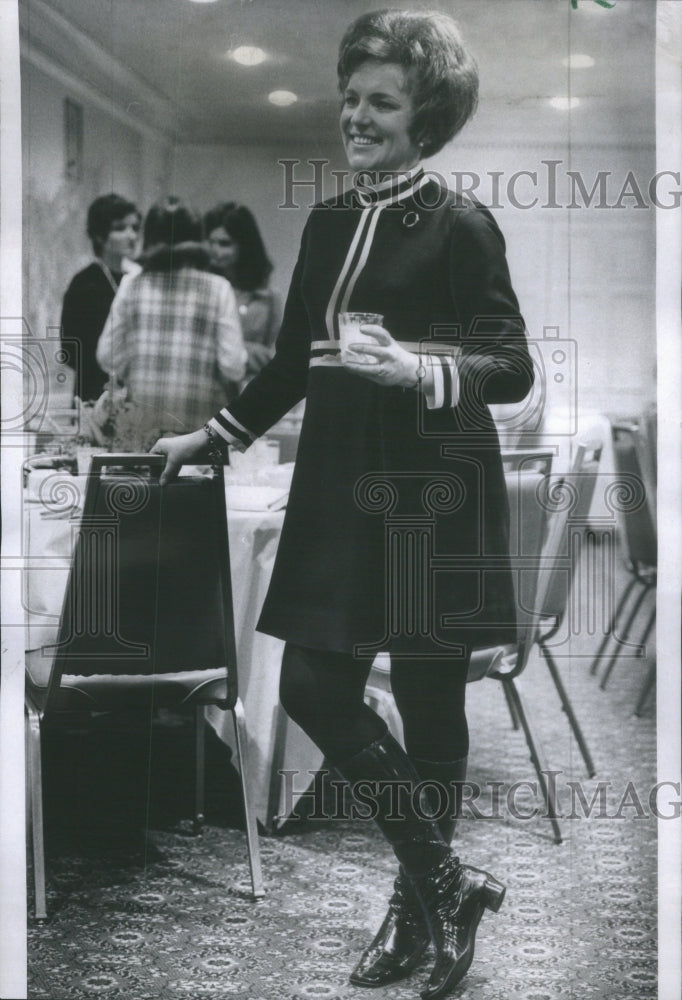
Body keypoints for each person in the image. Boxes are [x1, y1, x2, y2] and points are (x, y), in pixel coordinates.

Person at [152, 11, 534, 998]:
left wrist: (417, 367)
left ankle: (417, 913)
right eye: (350, 98)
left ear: (425, 117)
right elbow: (288, 366)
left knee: (429, 702)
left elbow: (511, 365)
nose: (355, 118)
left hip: (431, 488)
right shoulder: (326, 222)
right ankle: (447, 882)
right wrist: (214, 435)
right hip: (337, 481)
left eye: (381, 103)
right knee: (318, 689)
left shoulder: (460, 221)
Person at [96, 197, 246, 441]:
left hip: (139, 436)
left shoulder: (131, 285)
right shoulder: (219, 289)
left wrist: (141, 366)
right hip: (197, 439)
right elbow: (233, 367)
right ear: (198, 237)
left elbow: (107, 357)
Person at [60, 193, 141, 401]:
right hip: (94, 393)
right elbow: (69, 350)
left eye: (135, 228)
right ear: (99, 235)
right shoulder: (85, 284)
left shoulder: (140, 277)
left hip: (135, 391)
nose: (131, 236)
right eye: (120, 228)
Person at [204, 202, 281, 382]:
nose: (214, 251)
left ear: (244, 246)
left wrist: (231, 350)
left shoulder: (268, 298)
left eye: (224, 244)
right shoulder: (202, 291)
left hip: (246, 391)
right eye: (210, 242)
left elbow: (274, 356)